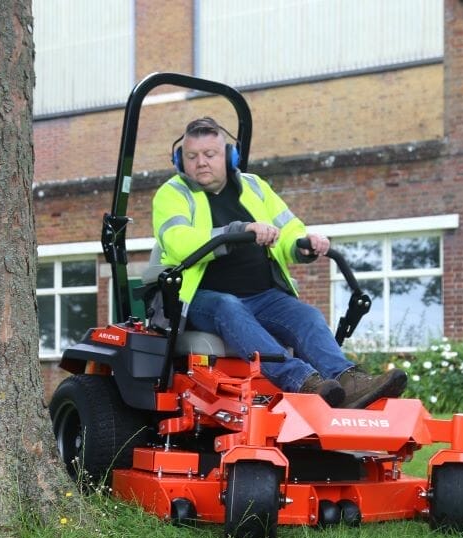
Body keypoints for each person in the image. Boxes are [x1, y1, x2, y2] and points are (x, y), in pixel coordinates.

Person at [151, 117, 406, 408]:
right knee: (229, 306)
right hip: (200, 298)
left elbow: (288, 230)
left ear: (230, 156)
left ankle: (350, 381)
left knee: (305, 315)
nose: (201, 163)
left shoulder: (255, 187)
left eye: (210, 155)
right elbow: (178, 242)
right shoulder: (172, 194)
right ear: (180, 161)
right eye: (191, 156)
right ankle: (304, 382)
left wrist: (304, 244)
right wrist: (237, 231)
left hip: (262, 296)